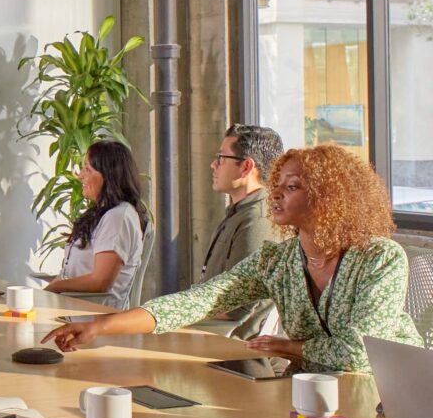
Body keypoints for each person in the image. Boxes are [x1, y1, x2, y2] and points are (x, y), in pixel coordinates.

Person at [42, 144, 422, 373]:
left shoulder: (380, 258)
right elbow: (199, 299)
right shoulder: (277, 260)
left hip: (388, 398)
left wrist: (291, 347)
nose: (275, 195)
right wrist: (100, 327)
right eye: (278, 185)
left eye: (292, 187)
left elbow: (359, 353)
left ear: (331, 198)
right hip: (311, 393)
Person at [199, 124, 284, 339]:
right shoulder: (240, 211)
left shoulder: (258, 220)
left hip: (231, 347)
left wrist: (171, 315)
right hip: (212, 334)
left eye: (221, 158)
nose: (213, 165)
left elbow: (236, 307)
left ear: (246, 167)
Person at [43, 141, 148, 309]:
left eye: (88, 169)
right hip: (73, 315)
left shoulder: (118, 217)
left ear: (109, 176)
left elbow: (100, 282)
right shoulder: (104, 213)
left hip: (95, 322)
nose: (80, 175)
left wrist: (56, 287)